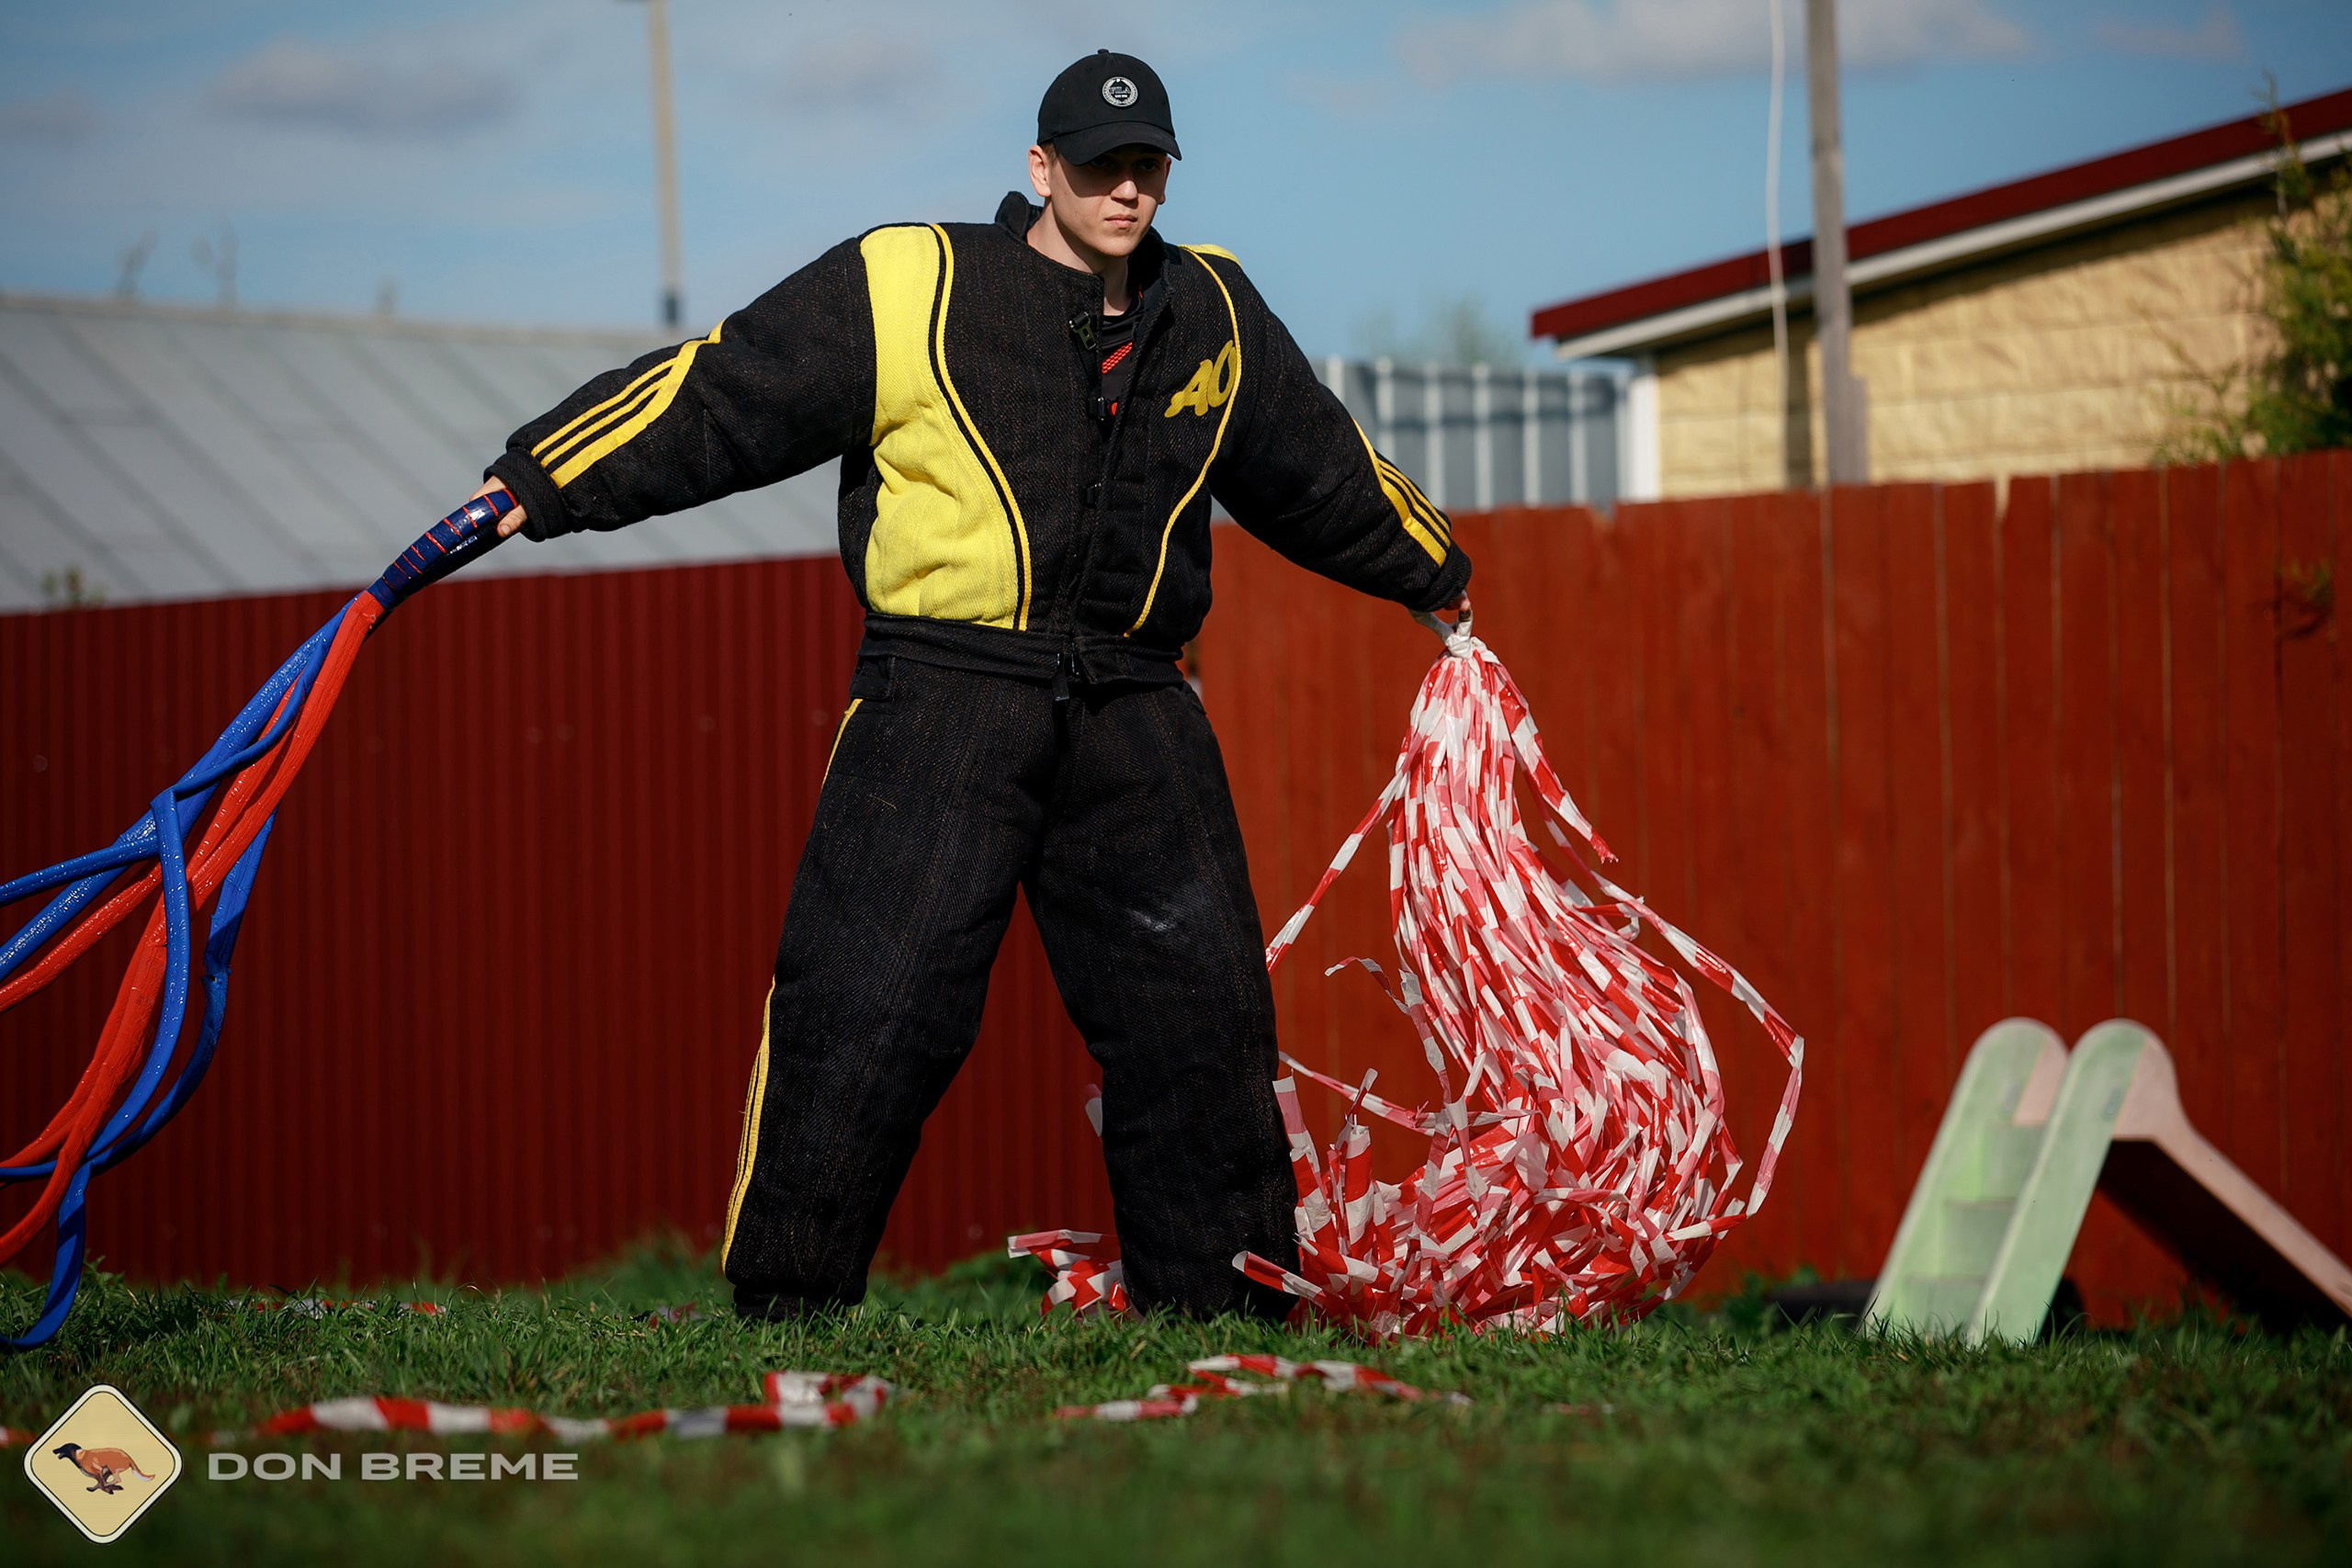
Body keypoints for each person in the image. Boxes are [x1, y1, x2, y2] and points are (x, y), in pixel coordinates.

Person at [469, 50, 1471, 1321]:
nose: (1125, 189)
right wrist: (541, 480)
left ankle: (1224, 1322)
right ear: (1041, 168)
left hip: (1137, 702)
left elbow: (1321, 466)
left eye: (1147, 165)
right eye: (1098, 165)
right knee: (867, 1006)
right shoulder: (912, 281)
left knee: (1202, 1021)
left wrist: (1435, 572)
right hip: (944, 694)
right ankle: (787, 1307)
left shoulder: (1215, 311)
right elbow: (726, 392)